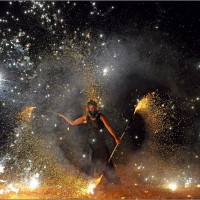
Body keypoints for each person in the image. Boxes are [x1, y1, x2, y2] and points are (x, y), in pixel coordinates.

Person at [58, 100, 121, 184]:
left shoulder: (101, 116)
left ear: (96, 107)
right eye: (90, 108)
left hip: (101, 142)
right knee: (95, 161)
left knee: (106, 160)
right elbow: (72, 123)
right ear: (88, 108)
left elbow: (109, 127)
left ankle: (114, 180)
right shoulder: (85, 117)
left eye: (93, 107)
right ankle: (99, 179)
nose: (92, 109)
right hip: (92, 144)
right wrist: (63, 116)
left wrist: (116, 137)